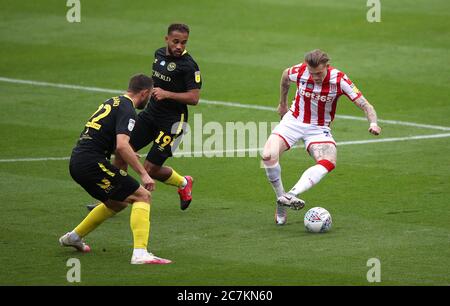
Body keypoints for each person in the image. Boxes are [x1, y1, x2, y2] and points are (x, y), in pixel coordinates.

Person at [87, 23, 202, 212]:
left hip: (173, 122)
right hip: (150, 114)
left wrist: (167, 94)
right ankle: (115, 198)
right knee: (121, 151)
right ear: (166, 39)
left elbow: (194, 98)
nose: (179, 46)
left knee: (150, 170)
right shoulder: (158, 55)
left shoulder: (189, 66)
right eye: (175, 42)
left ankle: (183, 182)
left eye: (183, 42)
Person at [59, 74, 172, 264]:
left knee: (117, 203)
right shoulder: (128, 109)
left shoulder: (112, 102)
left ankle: (74, 237)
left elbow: (109, 140)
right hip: (92, 163)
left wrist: (127, 153)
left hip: (78, 162)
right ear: (144, 93)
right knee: (143, 196)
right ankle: (140, 253)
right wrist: (144, 174)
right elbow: (121, 145)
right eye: (150, 95)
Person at [262, 49, 381, 225]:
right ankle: (281, 201)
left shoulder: (339, 80)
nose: (315, 77)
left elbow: (366, 105)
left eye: (318, 73)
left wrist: (373, 123)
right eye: (312, 73)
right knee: (268, 156)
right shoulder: (301, 71)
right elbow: (285, 76)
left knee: (329, 160)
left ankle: (291, 194)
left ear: (327, 65)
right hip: (293, 121)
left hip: (318, 128)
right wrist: (282, 104)